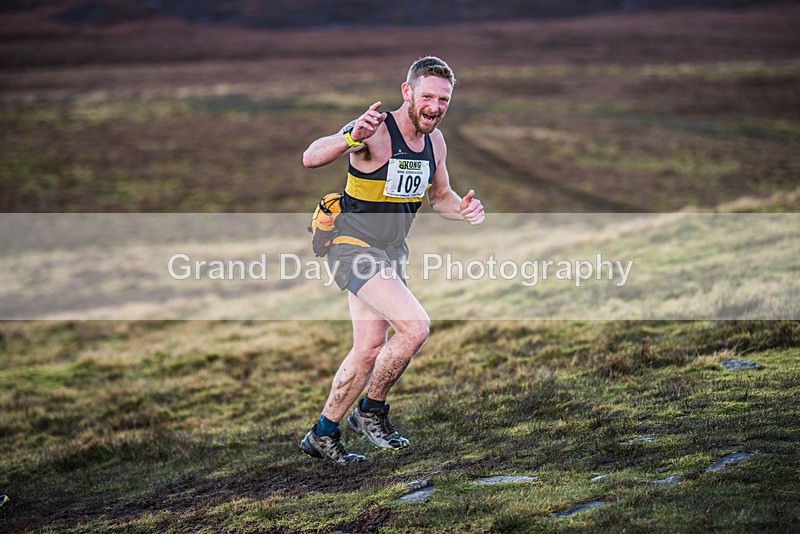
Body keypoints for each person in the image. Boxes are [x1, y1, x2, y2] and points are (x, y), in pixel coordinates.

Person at [300, 56, 485, 464]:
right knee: (415, 327)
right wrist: (349, 137)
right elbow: (311, 157)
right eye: (427, 97)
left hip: (390, 252)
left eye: (443, 100)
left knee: (368, 349)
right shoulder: (375, 130)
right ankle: (371, 411)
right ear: (407, 92)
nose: (435, 107)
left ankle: (322, 434)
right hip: (351, 245)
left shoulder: (435, 143)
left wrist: (464, 209)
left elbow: (440, 197)